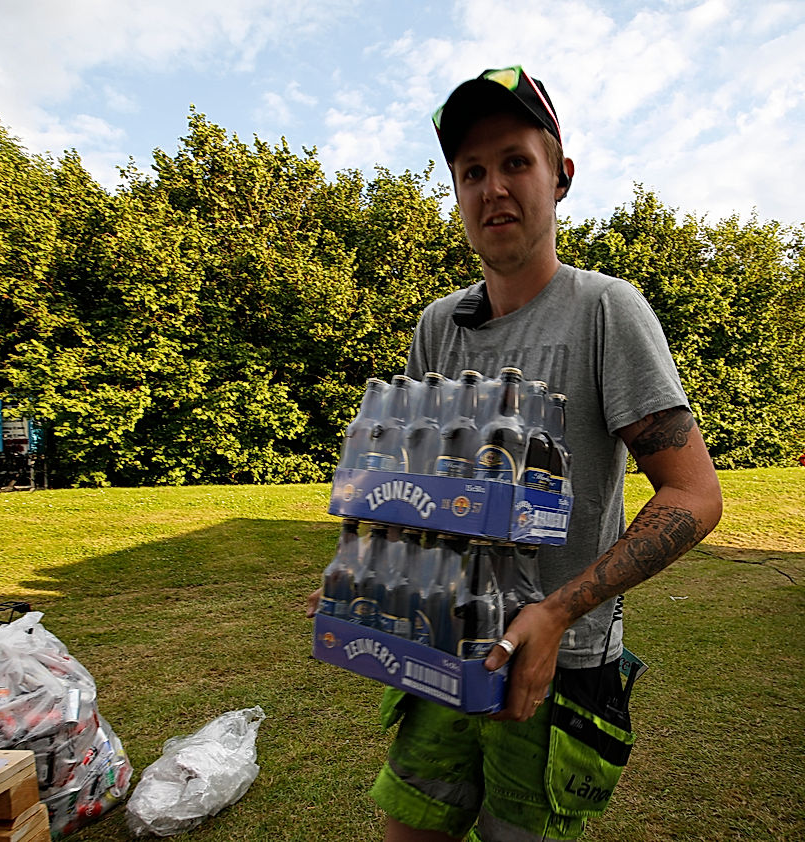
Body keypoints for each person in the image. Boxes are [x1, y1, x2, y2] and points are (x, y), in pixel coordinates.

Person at [308, 66, 723, 841]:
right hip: (446, 641)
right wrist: (367, 577)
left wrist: (557, 613)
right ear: (456, 193)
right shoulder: (439, 327)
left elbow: (694, 496)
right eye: (472, 171)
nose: (493, 187)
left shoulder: (607, 310)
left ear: (560, 177)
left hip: (558, 664)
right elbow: (425, 485)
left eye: (515, 162)